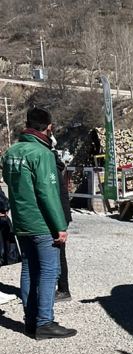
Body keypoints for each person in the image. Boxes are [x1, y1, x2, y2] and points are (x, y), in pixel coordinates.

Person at [1, 107, 76, 339]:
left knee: (28, 268)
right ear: (49, 127)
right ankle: (44, 322)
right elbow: (47, 193)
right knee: (48, 271)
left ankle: (30, 318)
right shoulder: (42, 154)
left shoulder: (10, 153)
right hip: (42, 222)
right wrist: (60, 226)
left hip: (21, 221)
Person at [51, 134, 73, 301]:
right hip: (61, 212)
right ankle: (61, 287)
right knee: (58, 252)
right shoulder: (56, 164)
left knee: (58, 252)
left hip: (58, 212)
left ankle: (63, 289)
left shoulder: (50, 164)